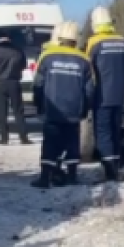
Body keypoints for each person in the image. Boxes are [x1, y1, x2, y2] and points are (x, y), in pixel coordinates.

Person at [31, 20, 93, 188]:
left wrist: (38, 104)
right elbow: (89, 90)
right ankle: (72, 176)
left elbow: (38, 84)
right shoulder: (84, 60)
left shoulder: (47, 56)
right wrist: (85, 109)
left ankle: (45, 178)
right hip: (74, 109)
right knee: (72, 142)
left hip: (52, 109)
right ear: (75, 39)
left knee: (50, 142)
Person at [84, 6, 124, 182]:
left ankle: (110, 172)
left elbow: (88, 69)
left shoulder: (94, 43)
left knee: (103, 133)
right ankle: (116, 167)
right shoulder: (122, 41)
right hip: (119, 95)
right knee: (115, 131)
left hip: (101, 96)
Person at [0, 33, 31, 145]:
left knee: (2, 111)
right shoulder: (17, 51)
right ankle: (23, 137)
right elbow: (24, 65)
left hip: (0, 83)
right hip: (14, 82)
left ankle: (4, 138)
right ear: (9, 39)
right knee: (18, 111)